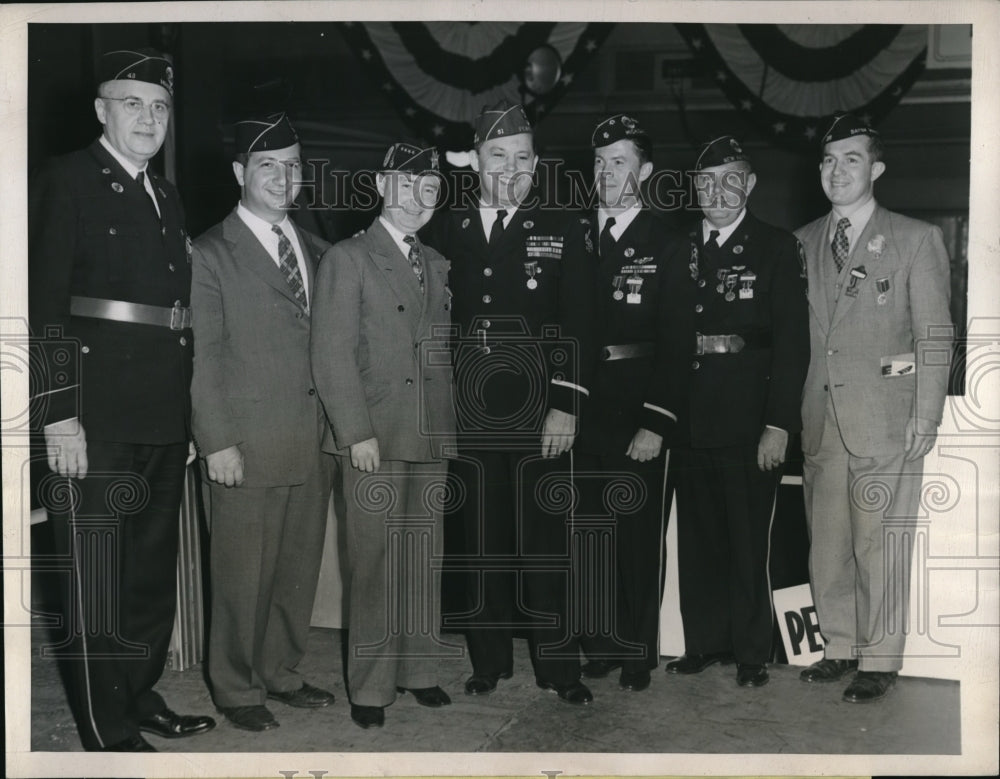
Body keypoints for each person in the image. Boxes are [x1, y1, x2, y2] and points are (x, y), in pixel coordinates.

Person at [28, 47, 215, 752]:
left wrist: (187, 416)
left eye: (159, 106)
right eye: (132, 103)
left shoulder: (165, 194)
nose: (149, 118)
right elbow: (41, 307)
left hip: (161, 413)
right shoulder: (65, 179)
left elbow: (175, 317)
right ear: (101, 110)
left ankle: (136, 696)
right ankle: (105, 726)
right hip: (94, 414)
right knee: (98, 574)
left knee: (147, 569)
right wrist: (58, 413)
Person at [422, 100, 599, 704]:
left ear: (536, 163)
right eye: (498, 156)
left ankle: (559, 669)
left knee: (544, 545)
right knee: (481, 543)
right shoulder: (445, 227)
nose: (511, 169)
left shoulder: (564, 223)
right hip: (468, 411)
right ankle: (487, 661)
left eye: (523, 158)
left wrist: (567, 403)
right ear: (475, 161)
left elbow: (581, 319)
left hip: (537, 408)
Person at [795, 114, 953, 703]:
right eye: (829, 161)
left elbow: (934, 333)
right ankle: (839, 646)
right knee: (827, 545)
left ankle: (880, 659)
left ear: (876, 169)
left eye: (852, 159)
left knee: (878, 545)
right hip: (821, 416)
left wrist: (927, 412)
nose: (838, 171)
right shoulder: (802, 240)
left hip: (888, 418)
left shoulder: (914, 239)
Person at [190, 113, 335, 731]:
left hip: (311, 441)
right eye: (267, 166)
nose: (282, 177)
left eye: (293, 165)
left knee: (296, 570)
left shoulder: (319, 247)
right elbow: (202, 356)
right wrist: (217, 440)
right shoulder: (209, 253)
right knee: (241, 575)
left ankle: (281, 672)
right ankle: (235, 686)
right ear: (238, 174)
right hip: (244, 443)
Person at [310, 143, 457, 729]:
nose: (419, 201)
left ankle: (418, 670)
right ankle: (370, 688)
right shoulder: (349, 258)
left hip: (427, 431)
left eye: (430, 189)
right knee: (373, 561)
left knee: (424, 557)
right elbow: (331, 353)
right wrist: (354, 432)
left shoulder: (439, 261)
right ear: (380, 185)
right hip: (373, 432)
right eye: (407, 186)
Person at [666, 136, 809, 688]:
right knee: (697, 538)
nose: (718, 192)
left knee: (749, 540)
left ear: (749, 185)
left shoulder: (775, 247)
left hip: (749, 422)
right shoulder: (678, 247)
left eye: (730, 180)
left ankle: (751, 653)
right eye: (706, 182)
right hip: (689, 417)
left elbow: (793, 346)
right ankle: (703, 643)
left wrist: (779, 424)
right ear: (695, 189)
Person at [574, 114, 689, 692]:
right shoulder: (575, 233)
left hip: (637, 405)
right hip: (582, 406)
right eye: (599, 162)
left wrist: (656, 421)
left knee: (638, 535)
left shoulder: (668, 240)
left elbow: (677, 341)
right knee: (589, 532)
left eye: (618, 161)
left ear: (644, 171)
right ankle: (601, 644)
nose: (606, 172)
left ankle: (639, 649)